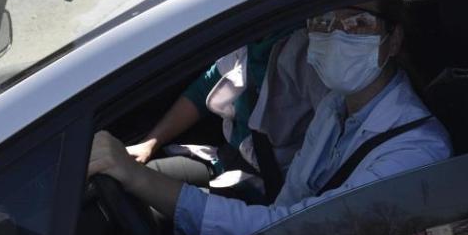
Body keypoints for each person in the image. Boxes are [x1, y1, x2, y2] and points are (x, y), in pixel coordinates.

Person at [88, 0, 452, 235]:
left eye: (357, 23)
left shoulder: (414, 152)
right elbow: (290, 202)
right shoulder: (336, 108)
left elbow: (288, 233)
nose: (335, 34)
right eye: (323, 22)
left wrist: (140, 179)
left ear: (395, 38)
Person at [126, 28, 326, 199]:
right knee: (136, 182)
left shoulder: (307, 53)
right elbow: (203, 89)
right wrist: (150, 143)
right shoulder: (250, 41)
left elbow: (328, 135)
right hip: (228, 164)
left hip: (273, 193)